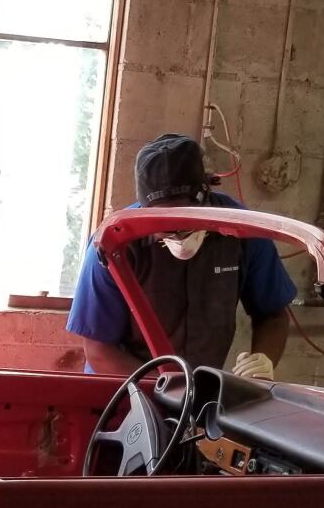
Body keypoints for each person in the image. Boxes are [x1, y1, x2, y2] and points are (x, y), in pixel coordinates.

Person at [66, 133, 298, 379]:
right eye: (165, 227)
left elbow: (272, 313)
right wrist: (167, 390)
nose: (178, 236)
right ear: (145, 209)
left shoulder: (244, 232)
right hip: (127, 387)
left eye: (185, 223)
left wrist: (263, 361)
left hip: (198, 391)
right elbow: (98, 349)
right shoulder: (113, 245)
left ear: (205, 196)